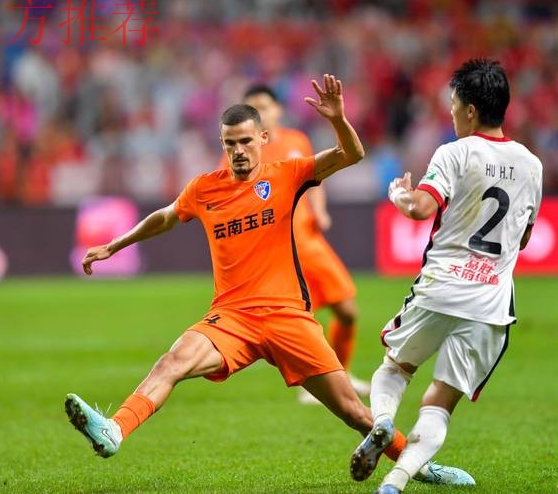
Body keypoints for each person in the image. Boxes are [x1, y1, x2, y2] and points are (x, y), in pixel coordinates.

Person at [69, 75, 472, 486]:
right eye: (230, 143)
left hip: (287, 317)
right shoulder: (204, 189)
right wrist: (114, 245)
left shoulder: (287, 174)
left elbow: (352, 154)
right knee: (172, 361)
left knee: (356, 414)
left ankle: (421, 467)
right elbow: (165, 217)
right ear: (222, 144)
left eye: (246, 141)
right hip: (231, 318)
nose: (238, 151)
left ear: (263, 138)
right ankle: (115, 429)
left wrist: (337, 119)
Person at [351, 59, 542, 493]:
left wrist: (398, 194)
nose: (452, 113)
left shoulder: (455, 152)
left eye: (454, 105)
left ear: (471, 110)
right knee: (440, 401)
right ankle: (395, 483)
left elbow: (421, 208)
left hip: (441, 287)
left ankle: (383, 422)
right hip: (490, 303)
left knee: (395, 369)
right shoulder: (532, 164)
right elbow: (525, 237)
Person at [218, 84, 370, 403]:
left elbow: (316, 177)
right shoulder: (240, 153)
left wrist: (320, 210)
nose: (260, 113)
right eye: (253, 108)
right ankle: (318, 386)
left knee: (347, 311)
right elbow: (228, 198)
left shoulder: (296, 141)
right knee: (299, 323)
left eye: (264, 106)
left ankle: (342, 373)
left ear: (278, 110)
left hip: (309, 241)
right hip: (277, 253)